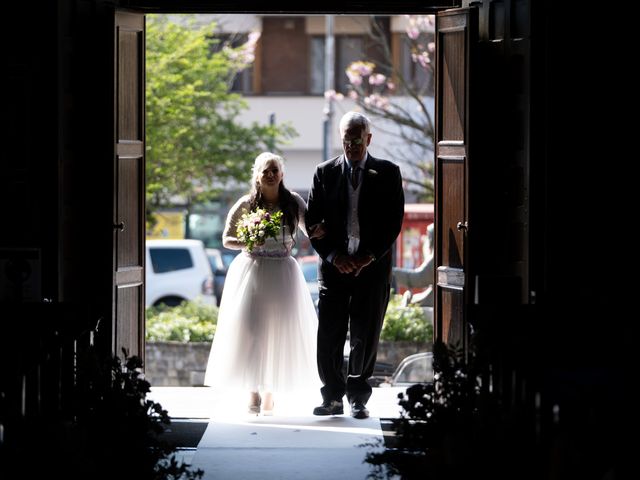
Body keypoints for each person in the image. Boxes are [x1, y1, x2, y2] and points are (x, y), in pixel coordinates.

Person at [203, 152, 320, 415]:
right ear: (257, 175)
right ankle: (252, 391)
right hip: (251, 271)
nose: (270, 175)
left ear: (282, 174)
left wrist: (320, 230)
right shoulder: (245, 204)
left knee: (278, 331)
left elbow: (309, 229)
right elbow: (226, 239)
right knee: (252, 330)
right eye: (265, 170)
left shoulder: (294, 203)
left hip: (283, 272)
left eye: (274, 170)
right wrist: (249, 242)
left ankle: (271, 392)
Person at [305, 111, 405, 419]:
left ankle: (358, 396)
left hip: (371, 270)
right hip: (334, 270)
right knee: (330, 334)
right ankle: (332, 396)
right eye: (347, 140)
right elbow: (312, 222)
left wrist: (368, 256)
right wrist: (334, 256)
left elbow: (393, 221)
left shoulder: (388, 172)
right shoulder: (325, 172)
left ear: (369, 139)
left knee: (366, 333)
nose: (351, 146)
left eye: (357, 140)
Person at [393, 223, 434, 307]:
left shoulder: (436, 257)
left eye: (429, 236)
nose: (428, 239)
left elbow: (418, 278)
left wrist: (392, 272)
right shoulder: (434, 255)